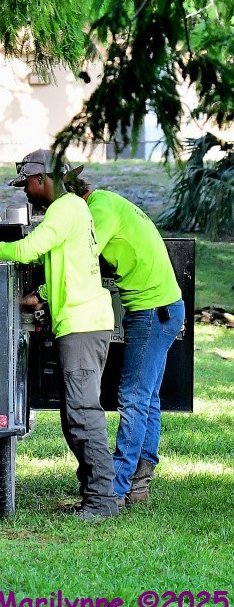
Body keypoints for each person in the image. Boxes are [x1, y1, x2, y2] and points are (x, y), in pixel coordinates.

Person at [0, 149, 118, 520]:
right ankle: (93, 496)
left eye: (26, 184)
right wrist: (40, 295)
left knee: (83, 414)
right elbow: (64, 264)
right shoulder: (73, 209)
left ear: (42, 179)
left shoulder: (64, 208)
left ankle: (102, 502)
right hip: (82, 322)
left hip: (82, 325)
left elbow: (29, 250)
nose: (25, 192)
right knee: (74, 415)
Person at [64, 174, 185, 506]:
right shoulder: (109, 201)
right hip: (165, 308)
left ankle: (115, 489)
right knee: (147, 400)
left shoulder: (99, 210)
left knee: (132, 399)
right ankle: (138, 486)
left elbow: (81, 258)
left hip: (152, 311)